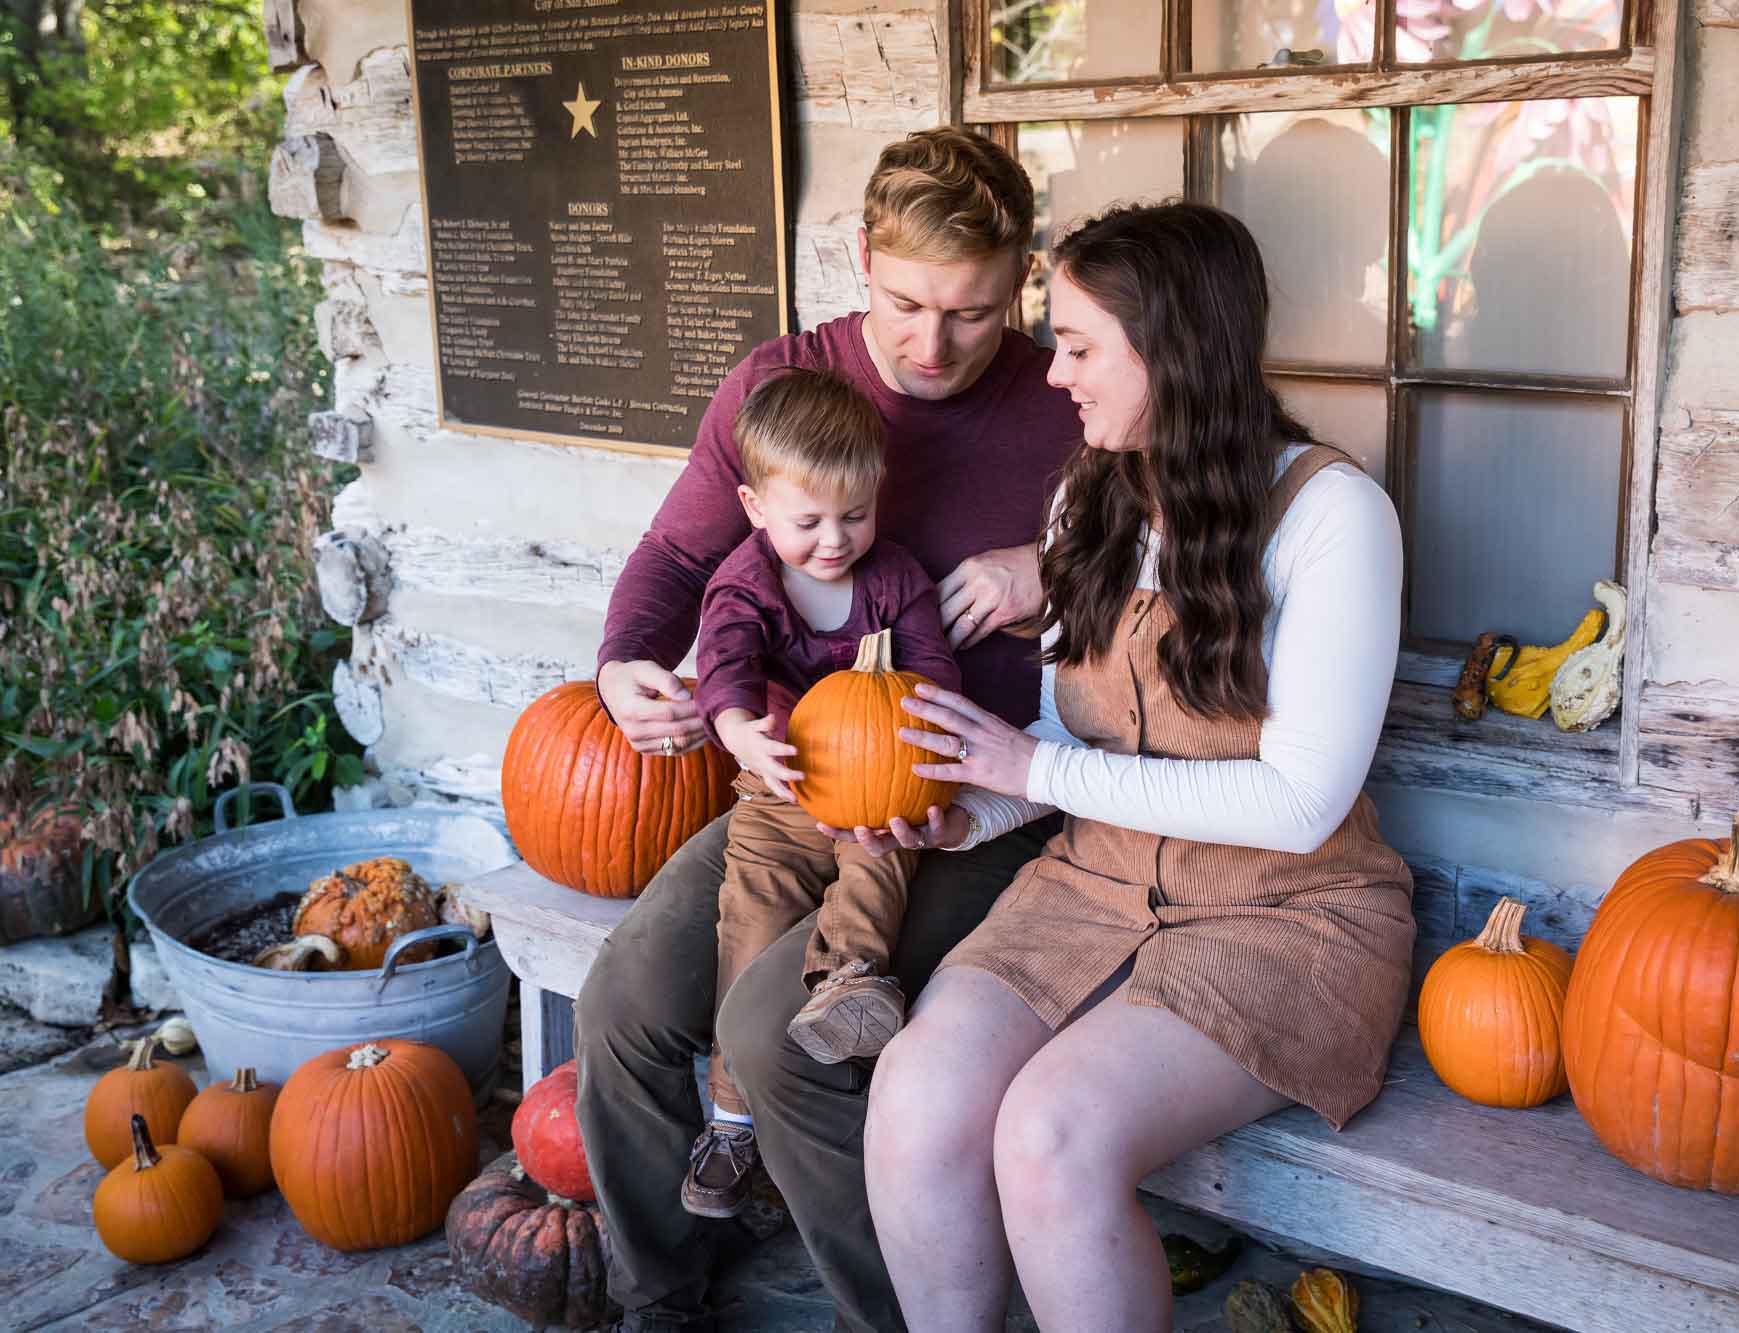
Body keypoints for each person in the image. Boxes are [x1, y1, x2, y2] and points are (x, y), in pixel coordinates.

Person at [856, 201, 1417, 1331]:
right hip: (1091, 887)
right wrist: (967, 812)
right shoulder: (1087, 498)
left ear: (1171, 347)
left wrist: (1028, 769)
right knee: (915, 1095)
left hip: (1286, 916)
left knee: (1050, 1132)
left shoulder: (1333, 517)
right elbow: (1072, 747)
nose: (1052, 373)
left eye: (1077, 345)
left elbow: (1300, 802)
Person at [575, 125, 1081, 1331]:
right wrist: (623, 664)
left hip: (978, 801)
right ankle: (661, 1297)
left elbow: (1170, 557)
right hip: (794, 779)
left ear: (1018, 276)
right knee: (626, 1000)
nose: (931, 343)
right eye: (905, 304)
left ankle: (893, 1315)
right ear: (862, 259)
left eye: (970, 312)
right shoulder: (780, 384)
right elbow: (677, 553)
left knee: (779, 1026)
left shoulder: (1062, 398)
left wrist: (1049, 566)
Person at [680, 367, 961, 1221]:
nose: (835, 540)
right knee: (752, 908)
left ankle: (849, 982)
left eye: (855, 514)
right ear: (757, 506)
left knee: (879, 864)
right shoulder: (747, 582)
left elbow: (934, 671)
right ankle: (730, 1122)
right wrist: (736, 730)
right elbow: (722, 667)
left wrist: (929, 765)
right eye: (809, 521)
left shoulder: (894, 580)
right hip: (778, 783)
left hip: (874, 787)